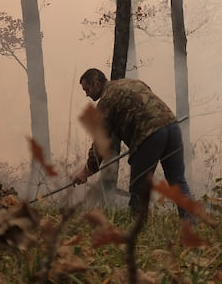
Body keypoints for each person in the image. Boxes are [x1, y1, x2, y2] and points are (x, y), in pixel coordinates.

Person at [72, 68, 193, 219]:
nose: (87, 94)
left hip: (149, 136)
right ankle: (190, 225)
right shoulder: (132, 82)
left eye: (87, 89)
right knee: (177, 181)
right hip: (172, 127)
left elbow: (100, 141)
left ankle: (137, 231)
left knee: (139, 189)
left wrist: (87, 171)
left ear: (96, 83)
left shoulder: (106, 100)